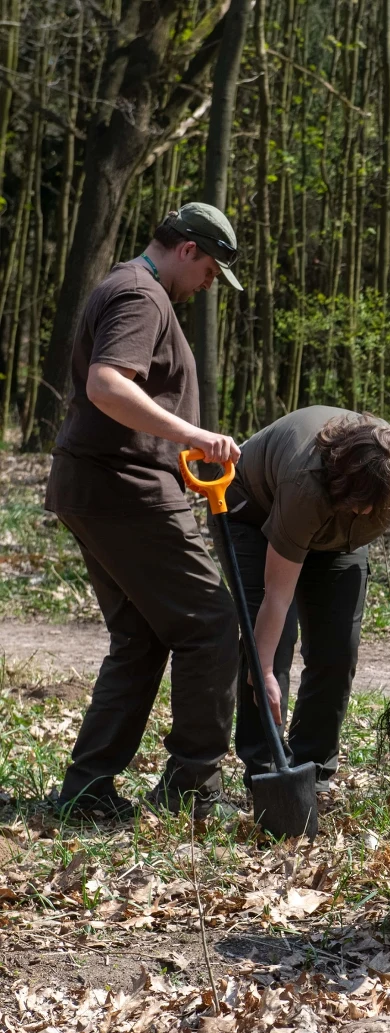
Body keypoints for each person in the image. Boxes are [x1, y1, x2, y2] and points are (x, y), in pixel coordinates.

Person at [45, 203, 246, 821]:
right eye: (212, 269)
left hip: (98, 486)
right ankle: (193, 784)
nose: (210, 284)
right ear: (187, 249)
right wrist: (191, 433)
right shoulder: (142, 296)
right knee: (211, 624)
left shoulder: (127, 286)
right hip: (124, 488)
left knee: (139, 636)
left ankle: (88, 790)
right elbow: (108, 384)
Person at [224, 406, 390, 791]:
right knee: (269, 647)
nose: (367, 512)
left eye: (375, 507)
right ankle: (266, 771)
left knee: (337, 649)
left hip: (336, 538)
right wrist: (263, 671)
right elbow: (277, 599)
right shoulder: (306, 485)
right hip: (254, 514)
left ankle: (313, 769)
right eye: (362, 503)